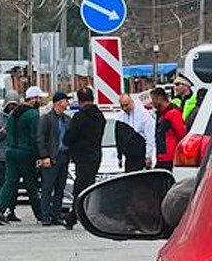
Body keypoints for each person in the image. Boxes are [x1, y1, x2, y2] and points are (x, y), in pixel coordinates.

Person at [0, 87, 43, 226]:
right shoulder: (33, 114)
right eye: (38, 98)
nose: (40, 101)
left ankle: (0, 211)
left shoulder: (15, 113)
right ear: (33, 99)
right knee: (31, 185)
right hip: (25, 153)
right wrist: (40, 156)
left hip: (10, 152)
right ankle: (40, 214)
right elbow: (35, 137)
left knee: (9, 183)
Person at [63, 88, 106, 229]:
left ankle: (74, 216)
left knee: (81, 187)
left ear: (80, 101)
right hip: (95, 155)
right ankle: (81, 215)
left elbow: (70, 137)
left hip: (82, 157)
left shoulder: (80, 117)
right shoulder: (100, 116)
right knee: (88, 184)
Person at [36, 91, 72, 226]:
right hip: (51, 158)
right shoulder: (46, 118)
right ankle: (45, 215)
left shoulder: (67, 119)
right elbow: (41, 138)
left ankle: (56, 215)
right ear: (58, 103)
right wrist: (44, 156)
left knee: (60, 187)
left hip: (64, 156)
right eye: (65, 101)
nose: (67, 103)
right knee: (47, 187)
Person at [0, 91, 19, 221]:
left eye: (14, 105)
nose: (11, 108)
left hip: (16, 156)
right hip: (2, 157)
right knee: (2, 184)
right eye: (10, 105)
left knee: (14, 185)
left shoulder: (19, 117)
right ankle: (0, 209)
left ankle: (12, 210)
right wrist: (2, 131)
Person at [114, 93, 156, 173]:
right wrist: (119, 156)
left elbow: (150, 137)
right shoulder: (120, 117)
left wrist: (148, 156)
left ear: (132, 102)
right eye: (122, 106)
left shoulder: (144, 115)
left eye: (126, 105)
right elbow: (118, 138)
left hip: (140, 155)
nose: (124, 108)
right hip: (129, 157)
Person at [151, 87, 187, 171]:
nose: (152, 103)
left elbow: (181, 134)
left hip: (170, 158)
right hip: (162, 157)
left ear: (159, 98)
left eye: (153, 99)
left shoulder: (173, 113)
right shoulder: (161, 114)